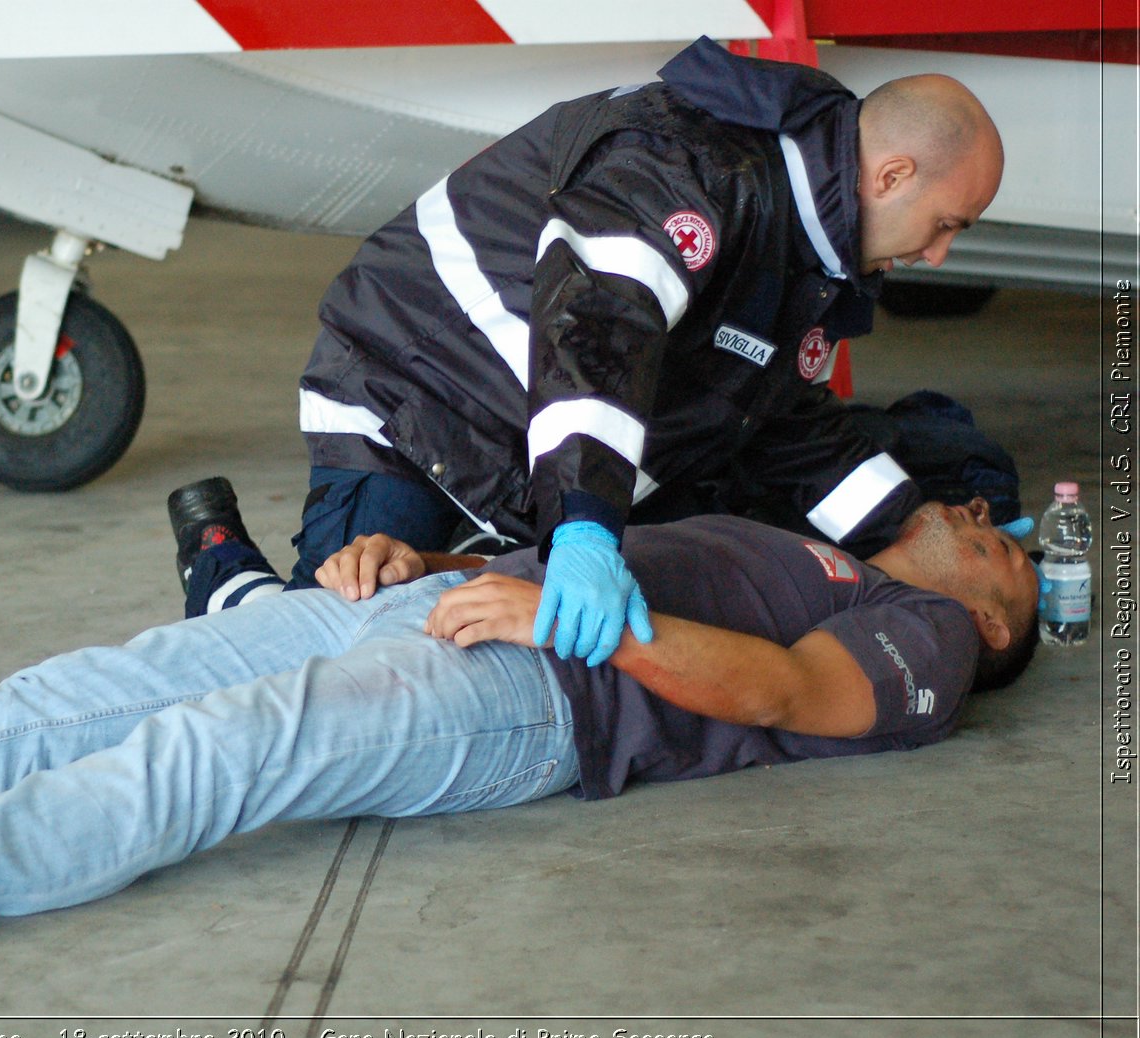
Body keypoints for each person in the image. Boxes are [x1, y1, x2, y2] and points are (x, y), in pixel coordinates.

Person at [0, 497, 1037, 974]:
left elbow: (787, 697)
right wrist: (433, 566)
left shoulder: (922, 648)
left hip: (545, 697)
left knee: (219, 752)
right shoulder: (814, 535)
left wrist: (562, 625)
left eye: (1012, 556)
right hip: (461, 615)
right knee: (86, 693)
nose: (992, 525)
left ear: (994, 626)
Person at [169, 36, 1007, 672]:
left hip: (533, 455)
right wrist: (586, 532)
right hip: (419, 404)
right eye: (948, 227)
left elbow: (782, 424)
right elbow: (599, 329)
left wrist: (913, 522)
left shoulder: (811, 252)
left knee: (478, 644)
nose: (938, 257)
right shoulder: (689, 162)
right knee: (335, 651)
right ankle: (225, 574)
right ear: (892, 176)